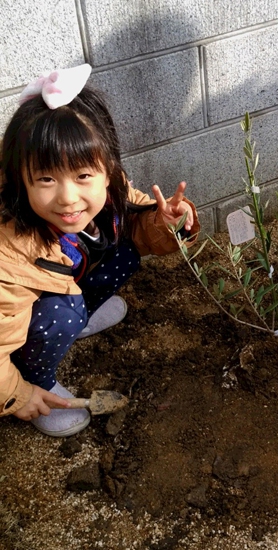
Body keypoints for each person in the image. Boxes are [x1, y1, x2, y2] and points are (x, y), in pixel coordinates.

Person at [0, 64, 201, 437]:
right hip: (18, 331)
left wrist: (166, 222)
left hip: (62, 287)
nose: (67, 197)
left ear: (107, 170)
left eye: (82, 176)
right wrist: (18, 393)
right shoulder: (8, 252)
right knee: (62, 313)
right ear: (20, 181)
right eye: (45, 178)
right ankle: (39, 376)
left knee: (124, 252)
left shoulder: (109, 192)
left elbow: (137, 224)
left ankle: (80, 316)